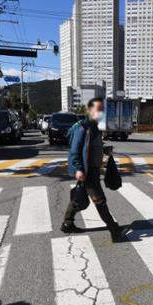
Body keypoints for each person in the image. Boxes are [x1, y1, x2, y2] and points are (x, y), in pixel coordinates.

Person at [61, 97, 124, 242]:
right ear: (89, 110)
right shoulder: (82, 127)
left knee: (78, 196)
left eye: (102, 109)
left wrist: (105, 149)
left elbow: (93, 147)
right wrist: (78, 169)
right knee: (100, 200)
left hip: (94, 170)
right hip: (86, 171)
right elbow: (75, 150)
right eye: (98, 109)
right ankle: (114, 229)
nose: (101, 112)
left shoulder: (95, 127)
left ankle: (67, 224)